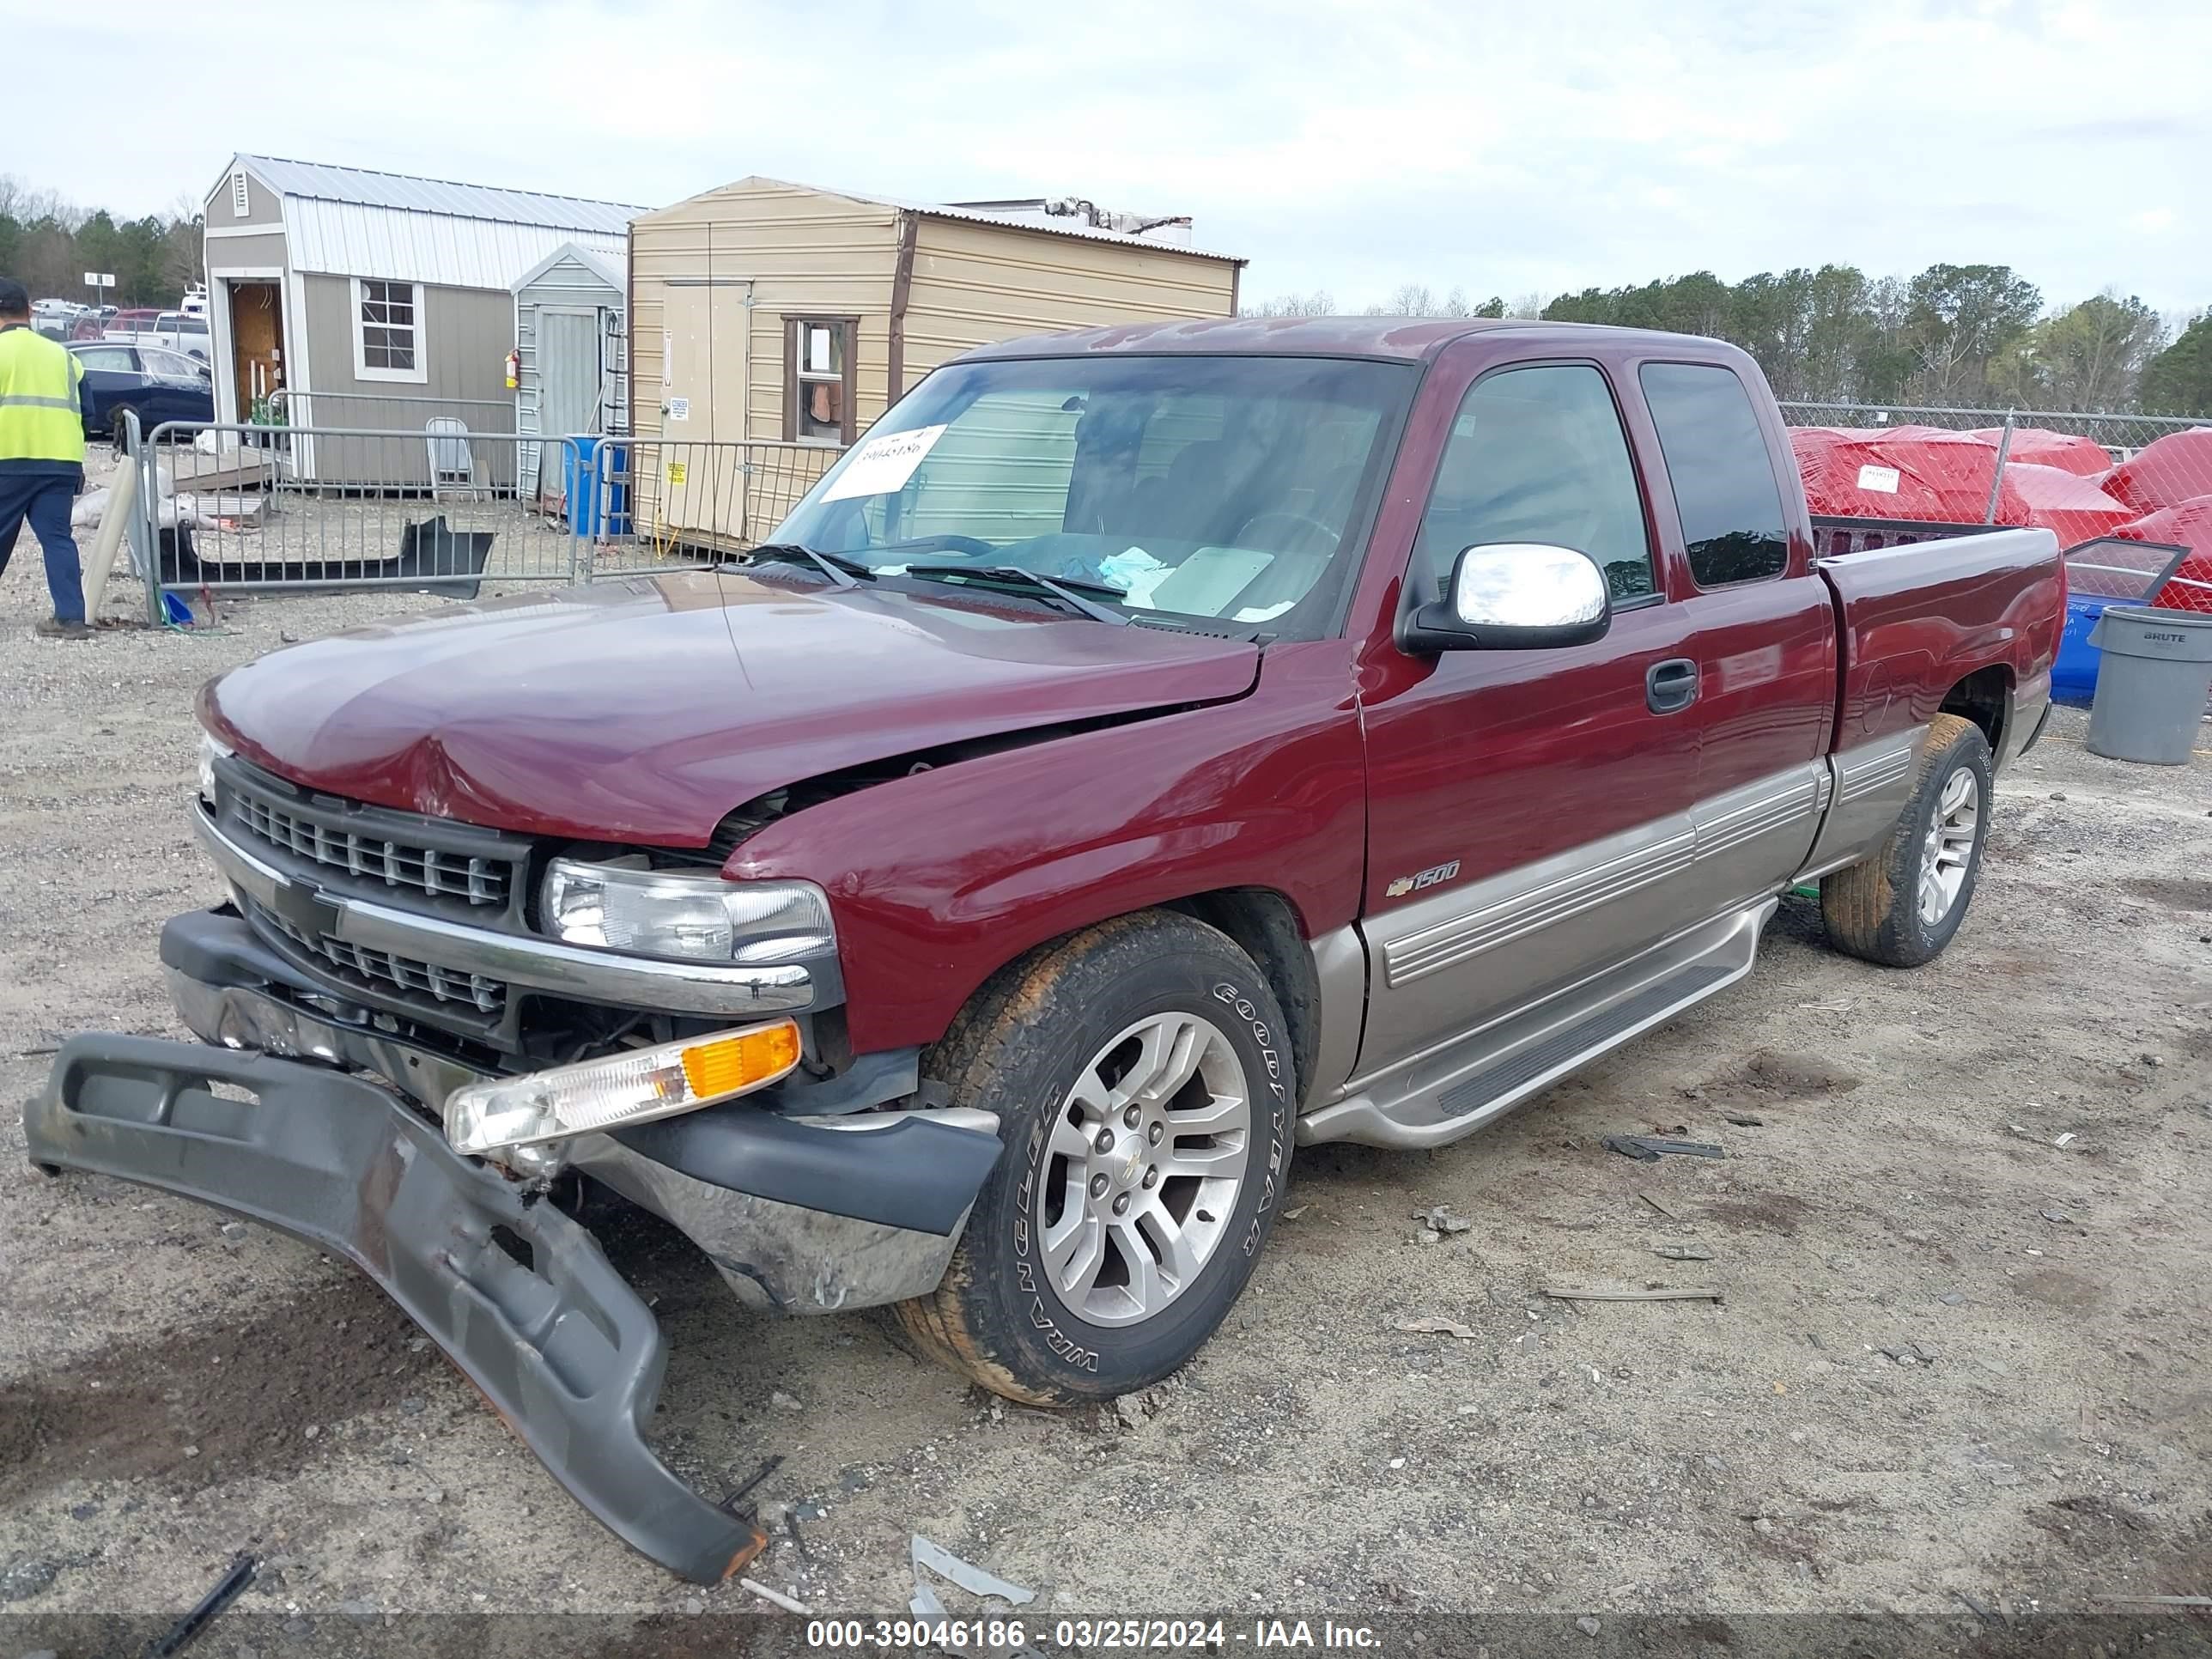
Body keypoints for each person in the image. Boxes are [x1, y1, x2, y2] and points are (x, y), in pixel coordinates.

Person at [0, 276, 94, 639]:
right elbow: (87, 413)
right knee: (58, 539)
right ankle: (70, 618)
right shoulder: (65, 358)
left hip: (8, 462)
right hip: (60, 463)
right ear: (29, 312)